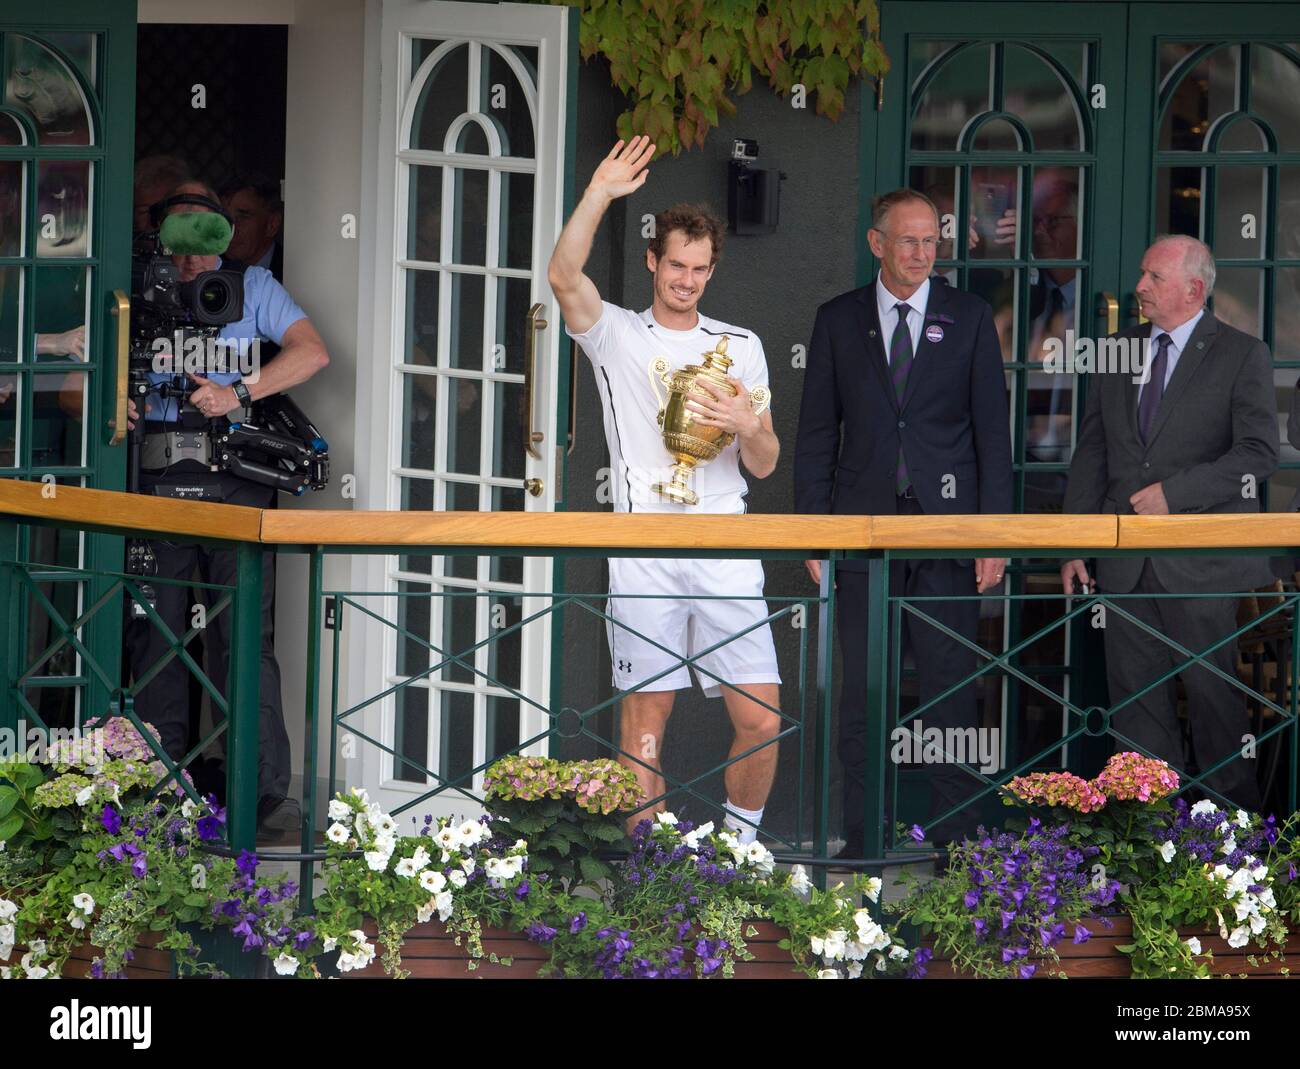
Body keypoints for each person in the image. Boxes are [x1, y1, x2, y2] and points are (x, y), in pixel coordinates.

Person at [547, 137, 782, 844]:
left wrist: (747, 424)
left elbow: (766, 463)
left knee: (762, 716)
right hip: (643, 543)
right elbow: (562, 275)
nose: (686, 279)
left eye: (699, 268)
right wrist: (599, 191)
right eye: (675, 264)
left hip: (725, 543)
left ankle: (738, 852)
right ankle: (647, 872)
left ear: (713, 270)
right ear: (653, 261)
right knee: (645, 720)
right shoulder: (616, 332)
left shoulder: (739, 344)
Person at [794, 188, 1013, 856]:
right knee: (861, 698)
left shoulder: (970, 317)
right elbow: (814, 434)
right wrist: (813, 530)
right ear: (876, 243)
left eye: (931, 241)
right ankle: (862, 844)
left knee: (950, 696)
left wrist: (993, 533)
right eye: (909, 240)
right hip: (861, 540)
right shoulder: (837, 320)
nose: (921, 254)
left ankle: (956, 848)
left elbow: (991, 435)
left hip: (948, 538)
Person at [125, 177, 330, 839]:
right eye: (176, 240)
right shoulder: (143, 288)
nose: (190, 259)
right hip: (155, 473)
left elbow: (312, 351)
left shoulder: (253, 287)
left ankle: (257, 795)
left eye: (202, 238)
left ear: (221, 235)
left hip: (232, 477)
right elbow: (94, 355)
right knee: (156, 632)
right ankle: (157, 782)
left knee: (241, 635)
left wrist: (240, 391)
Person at [1060, 235, 1277, 809]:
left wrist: (1175, 495)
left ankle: (1233, 849)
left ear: (1194, 289)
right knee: (1136, 712)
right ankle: (1150, 846)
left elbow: (1258, 453)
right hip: (1124, 563)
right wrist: (1073, 541)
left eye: (1154, 278)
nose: (1140, 288)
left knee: (1215, 704)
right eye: (1143, 274)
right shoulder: (1117, 350)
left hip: (1202, 564)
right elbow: (1093, 451)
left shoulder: (1241, 353)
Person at [220, 172, 284, 281]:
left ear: (272, 224)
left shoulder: (289, 271)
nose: (229, 228)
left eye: (243, 216)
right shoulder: (210, 265)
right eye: (223, 216)